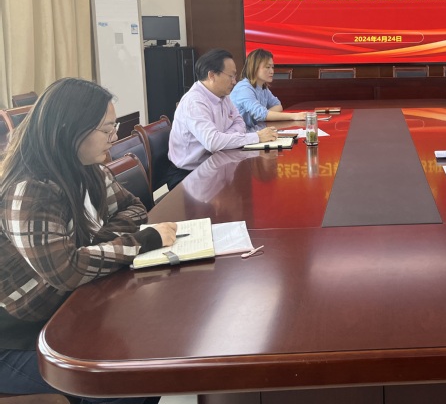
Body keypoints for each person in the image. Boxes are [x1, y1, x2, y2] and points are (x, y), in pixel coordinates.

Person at [0, 78, 176, 403]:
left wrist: (93, 242)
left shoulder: (87, 169)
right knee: (124, 378)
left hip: (65, 310)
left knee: (151, 355)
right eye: (107, 129)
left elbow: (135, 207)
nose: (115, 137)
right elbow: (67, 270)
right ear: (70, 129)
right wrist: (144, 240)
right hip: (17, 337)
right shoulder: (30, 189)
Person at [167, 48, 277, 189]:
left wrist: (223, 137)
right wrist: (257, 137)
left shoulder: (223, 96)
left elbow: (240, 122)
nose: (234, 81)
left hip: (214, 165)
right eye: (231, 76)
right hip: (189, 175)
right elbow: (213, 142)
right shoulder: (195, 101)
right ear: (212, 75)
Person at [231, 49, 309, 128]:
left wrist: (265, 114)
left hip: (254, 131)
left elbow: (278, 105)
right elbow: (260, 114)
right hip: (240, 133)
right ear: (254, 68)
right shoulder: (244, 88)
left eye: (272, 67)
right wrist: (294, 116)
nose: (272, 71)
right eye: (267, 67)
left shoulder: (263, 87)